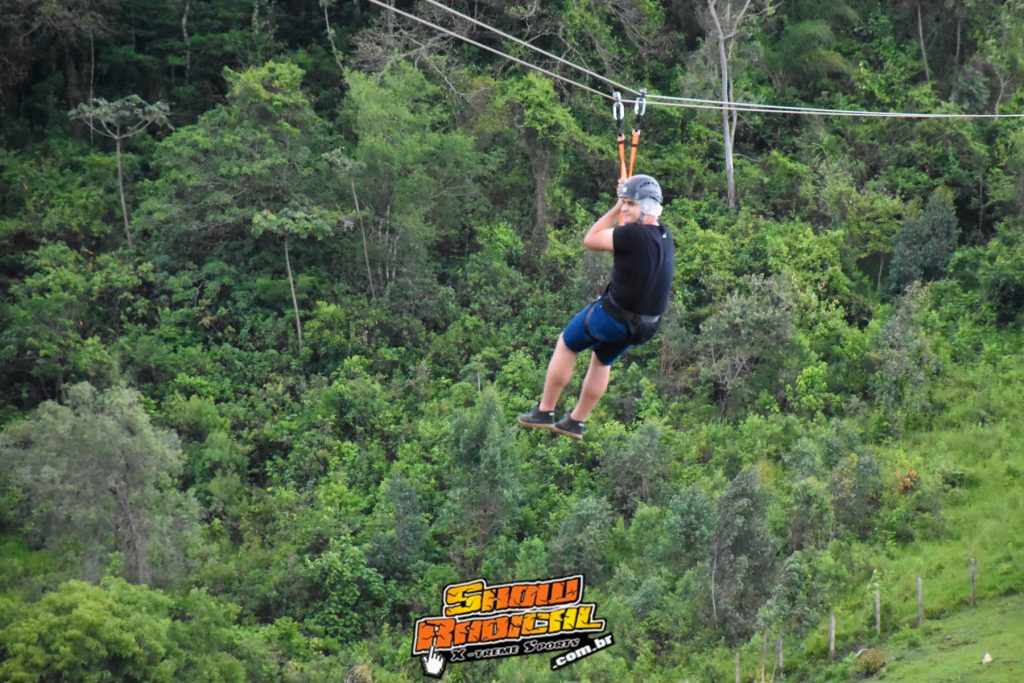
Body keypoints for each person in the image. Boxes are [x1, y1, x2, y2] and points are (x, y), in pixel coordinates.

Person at [518, 174, 674, 439]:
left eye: (631, 204)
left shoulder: (633, 235)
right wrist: (627, 198)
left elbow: (591, 239)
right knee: (602, 360)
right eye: (624, 203)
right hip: (644, 326)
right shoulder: (664, 235)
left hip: (614, 317)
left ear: (647, 207)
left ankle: (545, 411)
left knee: (567, 343)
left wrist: (614, 207)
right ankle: (576, 421)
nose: (625, 208)